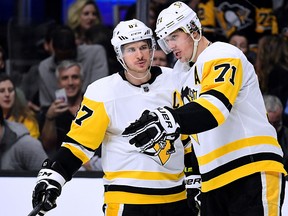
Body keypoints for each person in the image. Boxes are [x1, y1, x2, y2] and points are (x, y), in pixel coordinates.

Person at [122, 2, 287, 216]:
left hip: (251, 168)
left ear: (193, 29)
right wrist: (193, 176)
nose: (170, 46)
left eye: (174, 36)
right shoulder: (182, 74)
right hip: (213, 180)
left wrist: (166, 118)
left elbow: (214, 109)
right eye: (165, 40)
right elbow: (191, 134)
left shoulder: (223, 53)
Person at [30, 19, 199, 216]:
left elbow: (190, 138)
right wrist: (54, 177)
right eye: (131, 49)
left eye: (144, 47)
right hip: (127, 201)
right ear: (119, 54)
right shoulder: (102, 92)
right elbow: (79, 144)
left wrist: (195, 178)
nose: (139, 55)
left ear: (152, 48)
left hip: (177, 199)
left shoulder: (176, 80)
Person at [38, 25, 109, 108]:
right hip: (59, 115)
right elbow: (46, 105)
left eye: (68, 56)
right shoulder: (45, 67)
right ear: (53, 49)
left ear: (76, 47)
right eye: (61, 57)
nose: (65, 61)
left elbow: (99, 91)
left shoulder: (95, 53)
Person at [0, 74, 40, 139]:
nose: (7, 94)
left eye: (10, 90)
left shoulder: (26, 119)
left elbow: (30, 146)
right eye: (1, 91)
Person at [263, 94, 288, 175]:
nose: (273, 128)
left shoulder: (286, 135)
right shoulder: (251, 136)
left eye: (277, 123)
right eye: (270, 123)